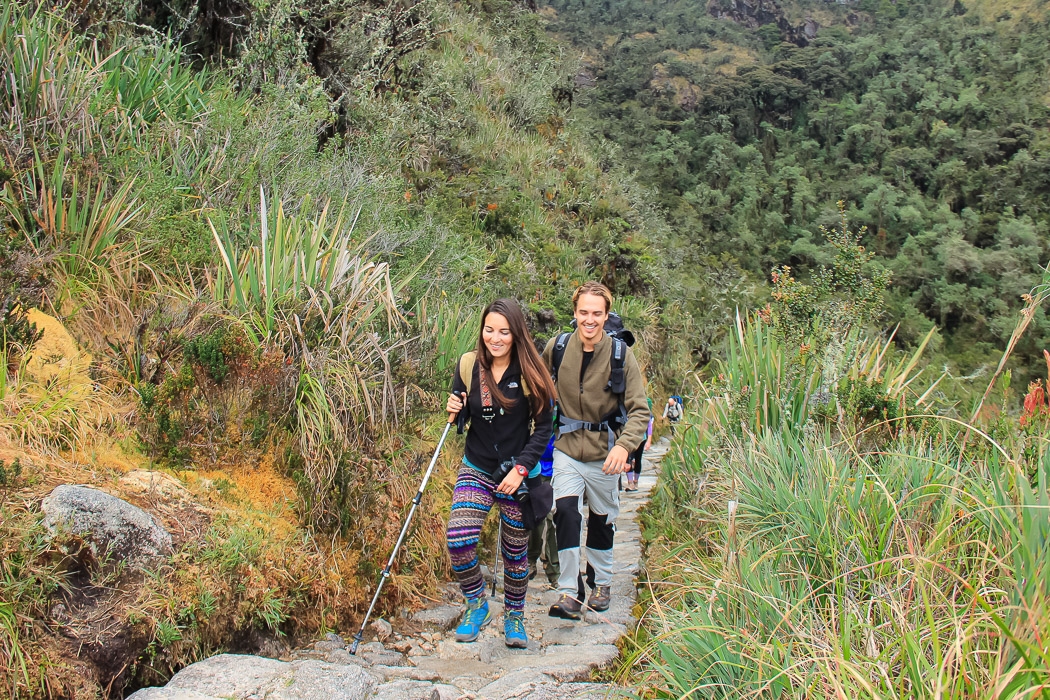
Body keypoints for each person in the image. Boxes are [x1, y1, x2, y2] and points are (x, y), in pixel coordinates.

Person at [445, 299, 557, 648]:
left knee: (515, 552)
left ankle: (514, 616)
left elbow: (544, 428)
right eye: (489, 330)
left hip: (517, 473)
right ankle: (477, 604)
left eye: (504, 332)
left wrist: (521, 469)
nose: (495, 338)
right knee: (458, 539)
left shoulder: (530, 372)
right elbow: (464, 413)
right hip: (477, 465)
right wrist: (455, 408)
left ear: (516, 334)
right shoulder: (468, 365)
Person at [543, 282, 650, 619]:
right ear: (575, 313)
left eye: (597, 313)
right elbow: (535, 387)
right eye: (584, 312)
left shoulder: (621, 355)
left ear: (606, 316)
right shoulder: (558, 347)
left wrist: (624, 446)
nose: (590, 319)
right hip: (567, 448)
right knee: (566, 513)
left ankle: (601, 583)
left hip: (606, 453)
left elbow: (640, 410)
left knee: (602, 520)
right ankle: (570, 590)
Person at [527, 432, 560, 587]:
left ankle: (555, 571)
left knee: (554, 520)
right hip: (535, 470)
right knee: (535, 519)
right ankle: (530, 559)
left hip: (560, 471)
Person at [624, 399, 653, 492]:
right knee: (628, 459)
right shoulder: (625, 411)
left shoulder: (644, 412)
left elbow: (649, 426)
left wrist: (649, 440)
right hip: (628, 439)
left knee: (637, 459)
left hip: (641, 439)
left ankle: (635, 481)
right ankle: (630, 482)